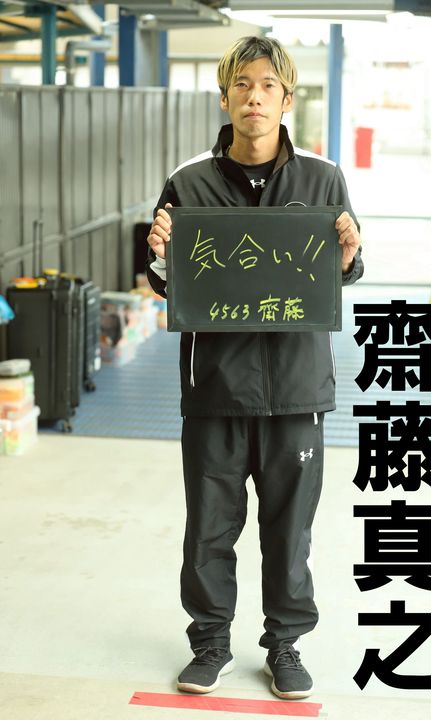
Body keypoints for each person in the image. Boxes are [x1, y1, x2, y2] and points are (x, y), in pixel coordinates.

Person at [146, 35, 363, 700]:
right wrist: (158, 255)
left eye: (268, 85)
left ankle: (285, 645)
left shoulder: (323, 180)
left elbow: (345, 270)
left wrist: (349, 255)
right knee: (209, 528)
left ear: (286, 99)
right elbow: (165, 281)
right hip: (215, 386)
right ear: (225, 98)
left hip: (297, 389)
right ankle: (210, 643)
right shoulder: (189, 183)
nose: (255, 97)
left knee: (289, 531)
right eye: (242, 84)